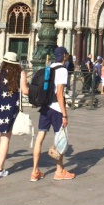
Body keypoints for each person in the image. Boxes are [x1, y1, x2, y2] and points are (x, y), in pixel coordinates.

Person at [31, 47, 75, 182]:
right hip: (56, 108)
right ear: (64, 56)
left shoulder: (49, 67)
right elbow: (60, 94)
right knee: (60, 139)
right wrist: (64, 114)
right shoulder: (62, 70)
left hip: (45, 107)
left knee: (40, 138)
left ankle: (34, 171)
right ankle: (59, 171)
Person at [0, 51, 28, 179]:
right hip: (11, 108)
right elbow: (25, 91)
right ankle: (1, 169)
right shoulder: (21, 73)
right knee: (5, 139)